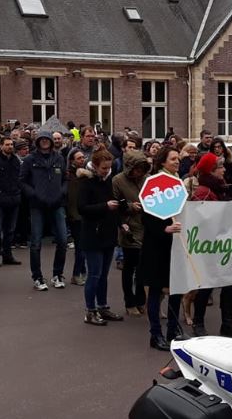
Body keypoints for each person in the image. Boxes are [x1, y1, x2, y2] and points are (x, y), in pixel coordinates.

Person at [189, 152, 232, 338]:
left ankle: (227, 324)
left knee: (228, 284)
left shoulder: (220, 189)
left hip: (224, 245)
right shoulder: (204, 193)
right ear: (211, 171)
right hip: (210, 247)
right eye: (220, 167)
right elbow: (199, 222)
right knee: (206, 286)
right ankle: (198, 322)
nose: (224, 170)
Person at [140, 146, 185, 350]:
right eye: (173, 159)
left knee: (176, 289)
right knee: (156, 291)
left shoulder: (179, 182)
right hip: (157, 247)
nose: (177, 161)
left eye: (178, 158)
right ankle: (155, 334)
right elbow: (147, 217)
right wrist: (165, 228)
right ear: (162, 162)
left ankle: (173, 331)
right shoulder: (154, 184)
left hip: (175, 245)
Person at [78, 148, 125, 326]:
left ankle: (103, 306)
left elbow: (115, 204)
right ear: (95, 166)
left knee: (103, 275)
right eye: (104, 168)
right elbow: (82, 208)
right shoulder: (86, 182)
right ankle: (90, 310)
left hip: (108, 233)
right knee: (94, 275)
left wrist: (121, 221)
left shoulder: (109, 181)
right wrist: (105, 206)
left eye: (109, 167)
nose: (107, 170)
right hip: (93, 234)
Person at [20, 130, 69, 291]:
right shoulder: (30, 159)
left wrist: (61, 192)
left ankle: (57, 274)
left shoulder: (59, 158)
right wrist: (33, 194)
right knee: (36, 243)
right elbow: (22, 181)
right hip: (37, 205)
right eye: (42, 140)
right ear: (38, 141)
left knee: (62, 240)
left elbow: (65, 179)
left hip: (57, 203)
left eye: (47, 139)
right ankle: (37, 277)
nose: (45, 142)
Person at [112, 150, 149, 317]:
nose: (139, 173)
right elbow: (115, 203)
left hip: (145, 226)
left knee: (143, 267)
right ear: (129, 167)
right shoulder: (118, 180)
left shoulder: (146, 179)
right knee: (129, 267)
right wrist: (129, 206)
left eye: (142, 169)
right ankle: (129, 302)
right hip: (129, 227)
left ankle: (141, 300)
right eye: (137, 169)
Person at [0, 137, 23, 268]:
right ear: (1, 146)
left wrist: (18, 190)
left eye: (11, 144)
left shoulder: (16, 161)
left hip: (14, 199)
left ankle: (7, 255)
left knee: (10, 230)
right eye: (7, 144)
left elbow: (20, 177)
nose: (10, 147)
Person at [65, 148, 90, 285]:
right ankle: (76, 274)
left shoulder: (86, 175)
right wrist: (72, 215)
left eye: (83, 158)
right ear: (72, 160)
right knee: (80, 246)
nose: (82, 160)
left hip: (84, 214)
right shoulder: (69, 176)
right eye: (79, 158)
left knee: (83, 246)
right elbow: (72, 197)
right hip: (75, 215)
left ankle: (82, 270)